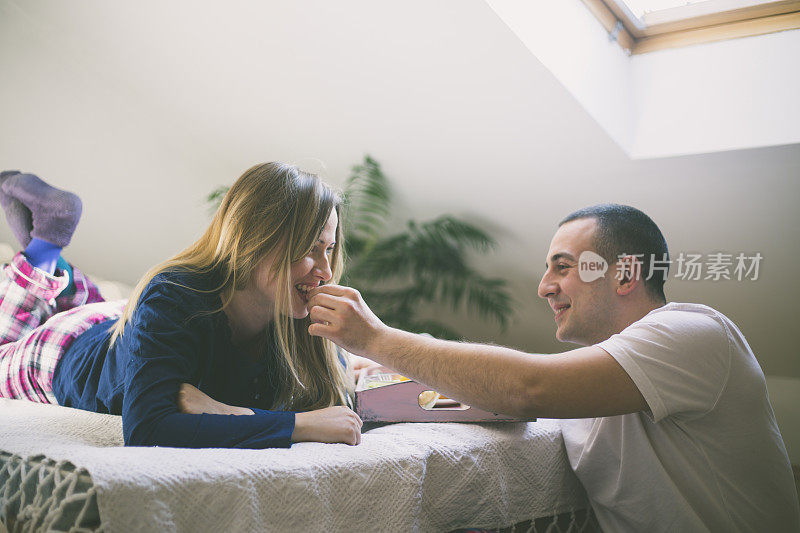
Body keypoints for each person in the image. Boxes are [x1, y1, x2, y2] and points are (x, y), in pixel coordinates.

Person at [304, 204, 800, 532]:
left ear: (625, 273)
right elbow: (492, 391)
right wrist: (371, 371)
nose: (543, 286)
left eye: (562, 267)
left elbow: (527, 386)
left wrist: (378, 338)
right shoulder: (594, 387)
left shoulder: (693, 335)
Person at [0, 164, 363, 448]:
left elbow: (336, 401)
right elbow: (148, 428)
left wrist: (223, 412)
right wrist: (298, 425)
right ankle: (46, 244)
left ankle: (50, 258)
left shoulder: (292, 313)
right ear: (257, 242)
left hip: (123, 321)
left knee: (100, 303)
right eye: (310, 249)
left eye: (328, 249)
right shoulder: (175, 294)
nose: (327, 272)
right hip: (68, 349)